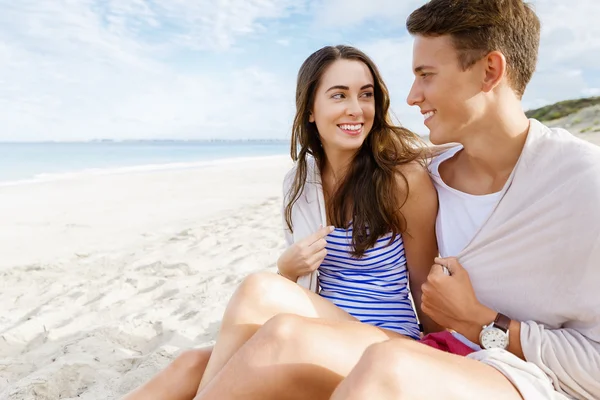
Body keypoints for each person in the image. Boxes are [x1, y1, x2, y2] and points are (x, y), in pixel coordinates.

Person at [144, 1, 600, 399]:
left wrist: (482, 322)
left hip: (496, 369)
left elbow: (437, 317)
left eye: (425, 75)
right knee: (211, 342)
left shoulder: (579, 184)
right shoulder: (433, 171)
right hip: (422, 348)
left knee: (306, 344)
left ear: (490, 72)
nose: (409, 96)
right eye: (338, 95)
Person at [123, 44, 441, 400]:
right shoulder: (300, 183)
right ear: (309, 110)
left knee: (259, 291)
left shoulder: (401, 179)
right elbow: (300, 291)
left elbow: (425, 286)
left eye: (365, 95)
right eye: (339, 95)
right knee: (190, 364)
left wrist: (438, 364)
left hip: (385, 339)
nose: (356, 109)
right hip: (319, 330)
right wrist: (287, 273)